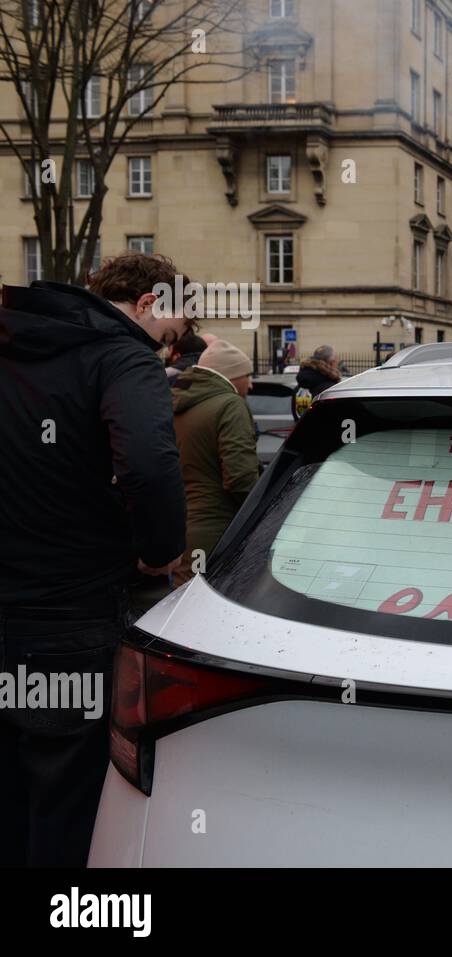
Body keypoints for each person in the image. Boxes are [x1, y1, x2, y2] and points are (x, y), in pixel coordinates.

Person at [0, 252, 189, 866]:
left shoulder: (16, 341)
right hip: (67, 616)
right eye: (174, 329)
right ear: (148, 304)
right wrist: (158, 552)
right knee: (63, 799)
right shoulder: (121, 356)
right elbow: (149, 465)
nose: (171, 349)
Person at [170, 341, 259, 589]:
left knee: (184, 598)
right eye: (247, 375)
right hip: (216, 527)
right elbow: (240, 478)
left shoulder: (177, 403)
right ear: (230, 375)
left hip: (181, 521)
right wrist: (262, 512)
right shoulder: (230, 405)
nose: (250, 384)